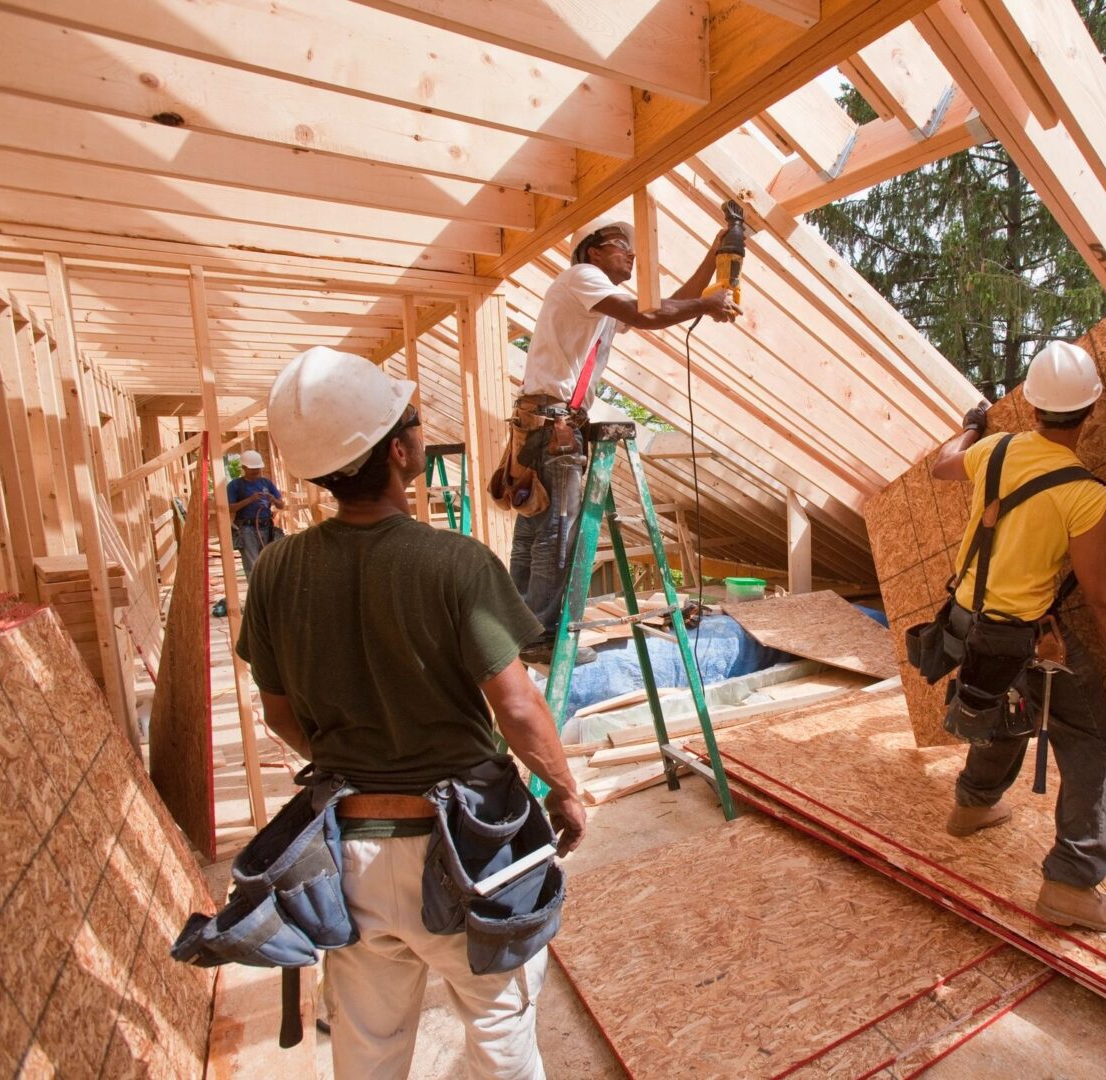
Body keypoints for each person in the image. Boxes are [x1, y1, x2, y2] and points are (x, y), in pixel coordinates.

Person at [238, 346, 587, 1079]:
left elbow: (278, 715)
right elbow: (518, 708)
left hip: (348, 852)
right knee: (500, 1038)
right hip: (467, 850)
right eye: (417, 425)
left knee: (368, 1054)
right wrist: (563, 788)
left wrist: (357, 756)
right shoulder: (455, 563)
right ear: (400, 451)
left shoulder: (276, 571)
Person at [927, 341, 1106, 934]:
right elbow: (1100, 599)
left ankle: (973, 805)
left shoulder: (993, 452)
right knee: (1093, 735)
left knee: (999, 698)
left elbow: (938, 465)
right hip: (1020, 630)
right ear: (1091, 411)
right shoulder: (1085, 493)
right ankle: (1071, 883)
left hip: (967, 623)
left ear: (1031, 406)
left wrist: (970, 429)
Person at [495, 215, 740, 665]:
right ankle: (541, 636)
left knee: (534, 529)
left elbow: (669, 303)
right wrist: (708, 307)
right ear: (592, 251)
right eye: (620, 245)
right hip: (554, 425)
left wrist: (714, 254)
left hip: (543, 421)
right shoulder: (583, 279)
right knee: (555, 533)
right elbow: (649, 315)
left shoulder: (598, 302)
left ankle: (517, 631)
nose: (630, 253)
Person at [228, 449, 284, 578]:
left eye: (257, 468)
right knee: (252, 565)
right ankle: (256, 595)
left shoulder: (266, 483)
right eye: (252, 469)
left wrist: (273, 500)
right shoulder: (235, 485)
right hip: (246, 529)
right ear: (243, 467)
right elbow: (230, 508)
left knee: (270, 562)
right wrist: (250, 499)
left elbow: (281, 505)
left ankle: (269, 593)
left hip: (266, 527)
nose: (256, 472)